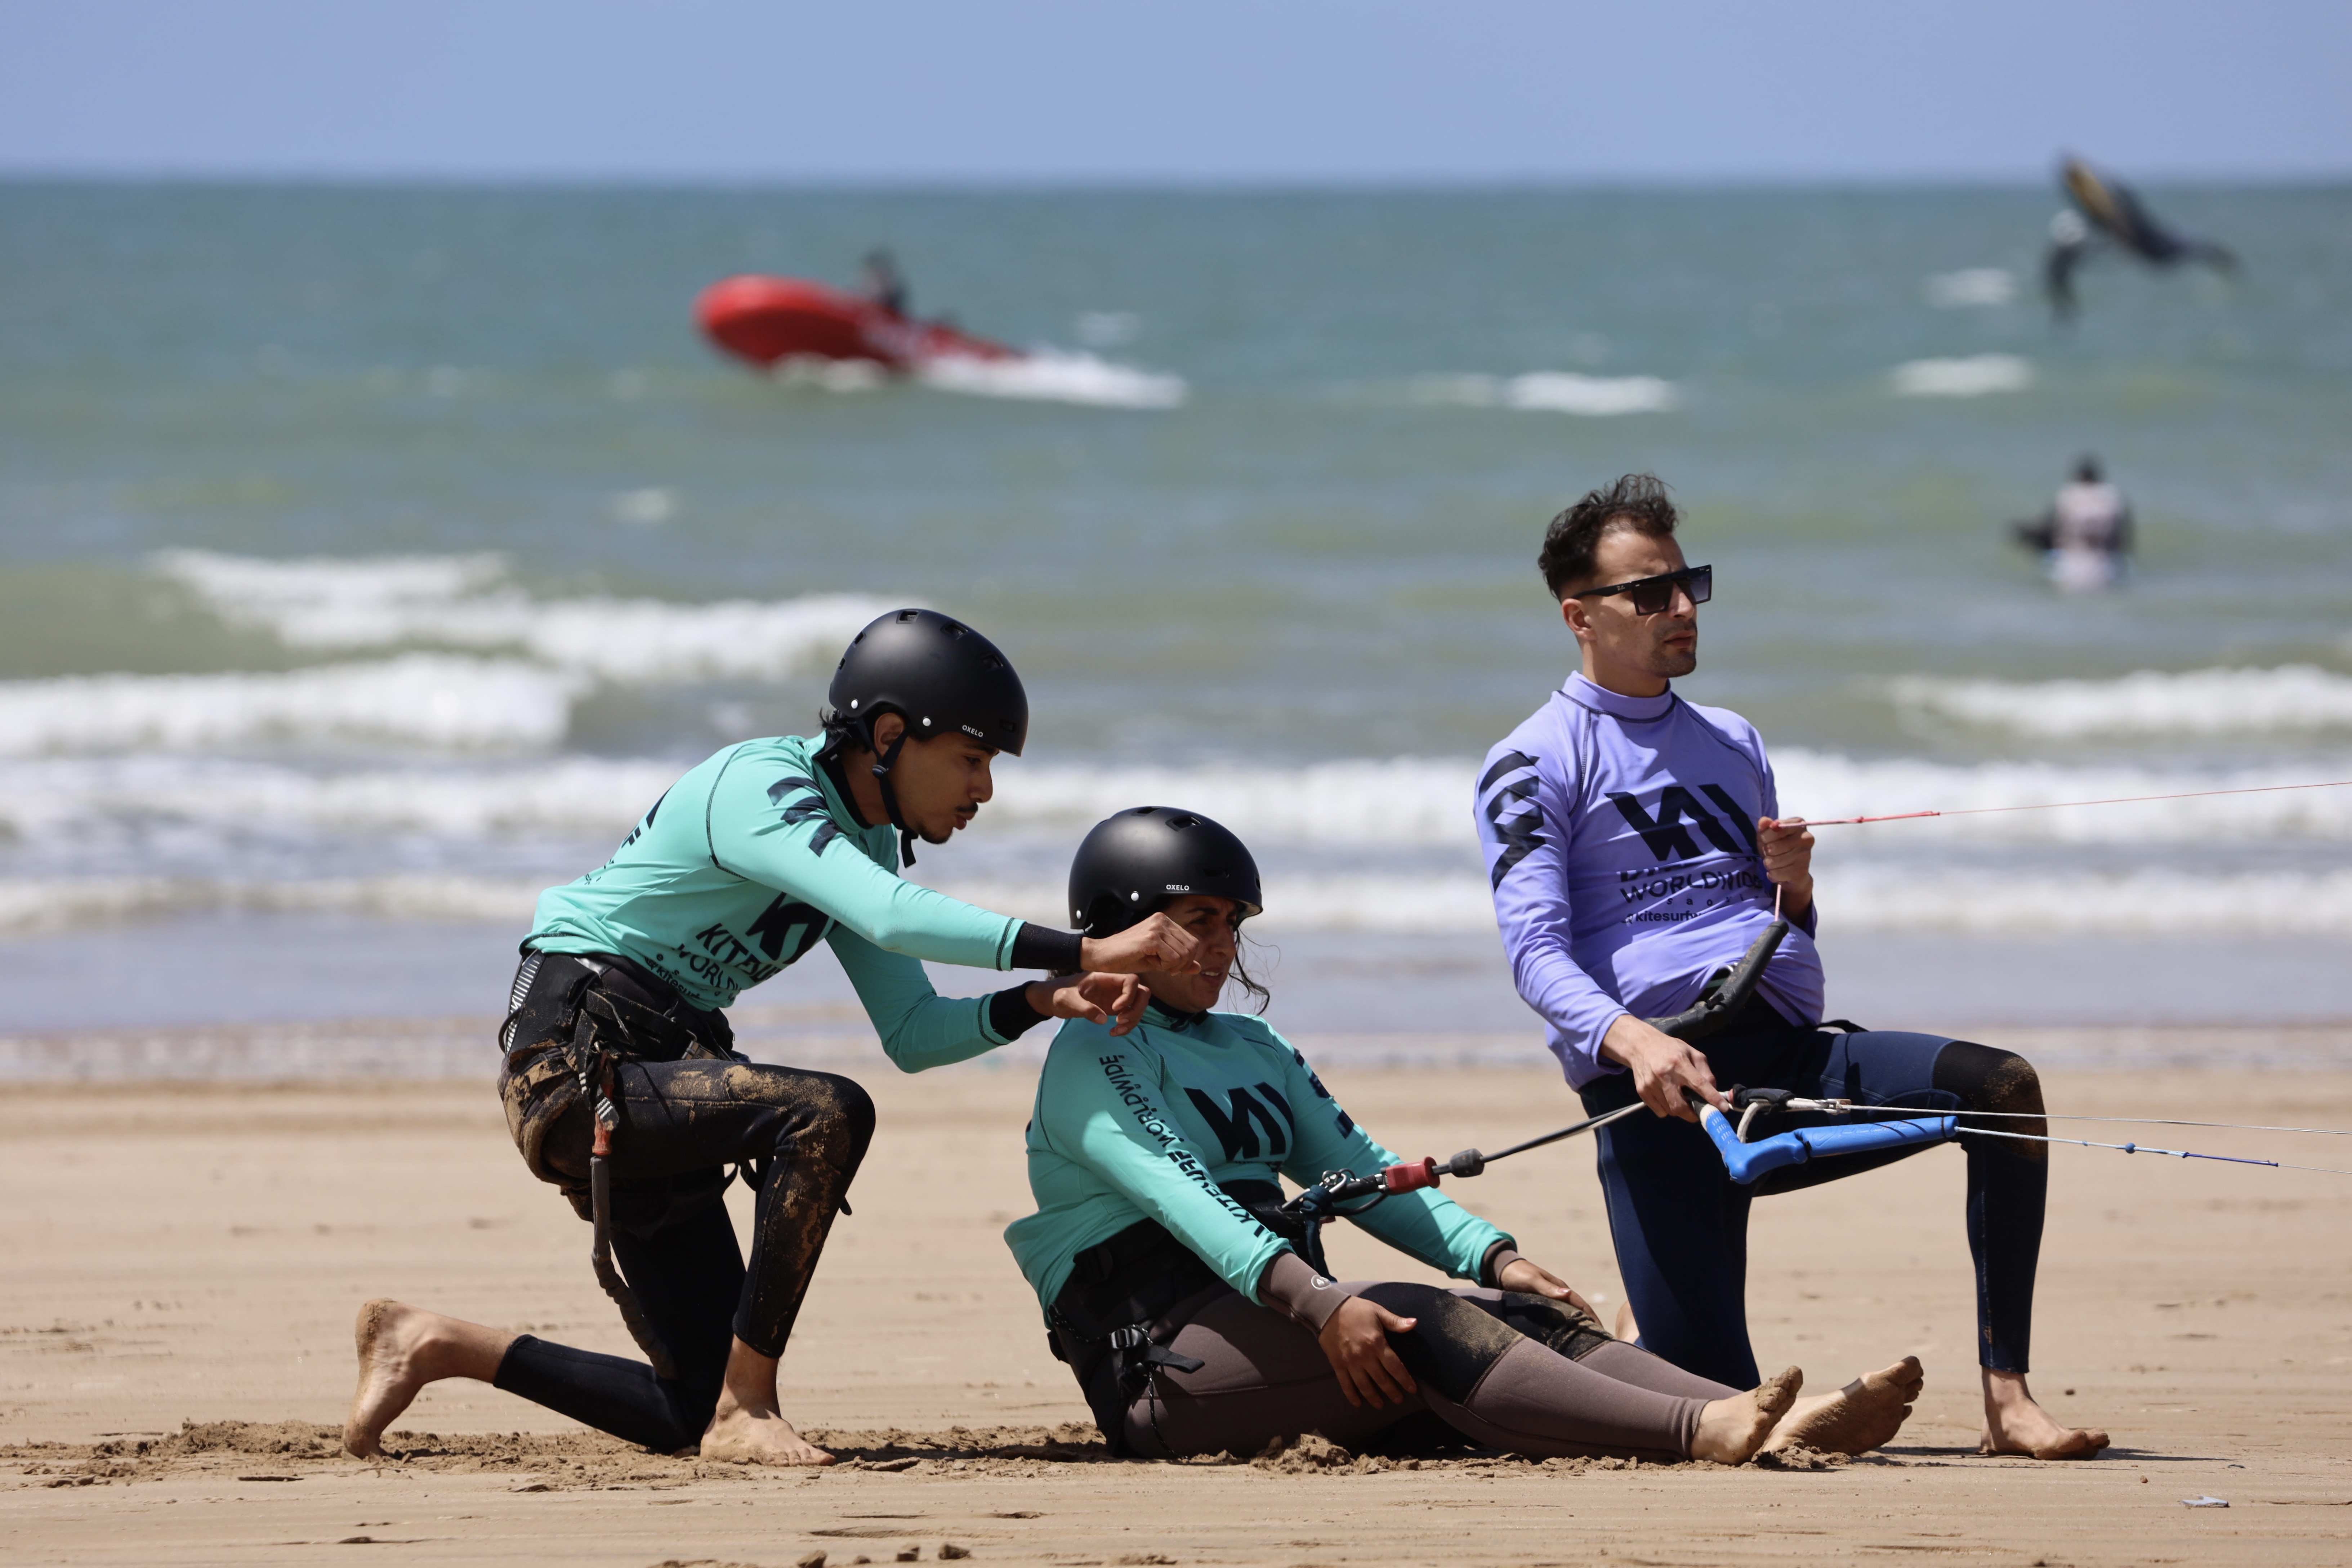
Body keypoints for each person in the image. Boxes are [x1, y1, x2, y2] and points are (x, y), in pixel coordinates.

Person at [343, 608, 1204, 1468]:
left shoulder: (862, 843)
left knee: (689, 1406)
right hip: (574, 1061)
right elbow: (887, 915)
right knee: (825, 1112)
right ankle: (750, 1402)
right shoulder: (762, 786)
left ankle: (430, 1342)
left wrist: (1042, 998)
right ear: (890, 735)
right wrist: (1085, 947)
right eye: (971, 759)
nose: (983, 789)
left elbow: (913, 1032)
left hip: (666, 1073)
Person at [1477, 474, 2110, 1461]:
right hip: (1661, 1095)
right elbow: (1534, 953)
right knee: (1711, 1405)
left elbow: (1777, 927)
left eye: (1687, 583)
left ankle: (2007, 1400)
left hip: (1786, 1059)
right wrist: (1635, 1042)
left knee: (2001, 1089)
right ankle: (1624, 1342)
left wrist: (1795, 891)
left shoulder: (1732, 741)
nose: (1681, 606)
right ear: (1579, 616)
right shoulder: (1533, 761)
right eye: (1649, 592)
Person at [1005, 805, 1924, 1464]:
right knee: (1420, 1316)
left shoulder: (1252, 1044)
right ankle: (1703, 1431)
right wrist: (1323, 1303)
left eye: (1231, 922)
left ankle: (1761, 1416)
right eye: (1194, 921)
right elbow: (1191, 1205)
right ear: (1118, 929)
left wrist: (1495, 1257)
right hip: (1162, 1363)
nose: (1219, 944)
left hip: (1269, 1322)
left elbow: (1361, 1173)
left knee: (1522, 1314)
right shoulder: (1092, 1054)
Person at [2014, 456, 2133, 593]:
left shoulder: (2068, 495)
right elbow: (2125, 539)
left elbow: (2050, 530)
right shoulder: (2114, 498)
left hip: (2069, 568)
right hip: (2107, 568)